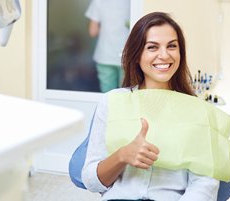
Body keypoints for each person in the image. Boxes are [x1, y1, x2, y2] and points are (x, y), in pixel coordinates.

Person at [81, 12, 222, 201]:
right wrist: (122, 155)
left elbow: (205, 184)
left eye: (172, 46)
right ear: (137, 55)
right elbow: (91, 181)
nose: (164, 55)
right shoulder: (112, 102)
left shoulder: (197, 110)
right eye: (152, 47)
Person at [85, 0, 130, 93]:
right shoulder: (132, 2)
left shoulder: (99, 1)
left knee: (107, 95)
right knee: (125, 94)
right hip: (127, 55)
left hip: (104, 55)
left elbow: (93, 32)